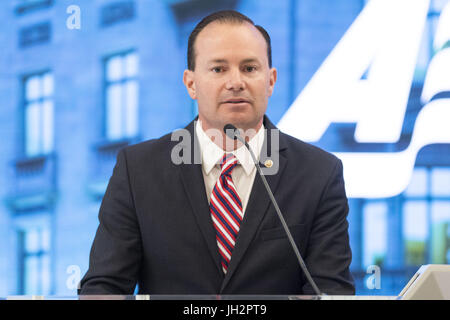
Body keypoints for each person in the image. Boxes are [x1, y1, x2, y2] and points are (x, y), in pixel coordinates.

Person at [79, 10, 355, 295]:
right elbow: (104, 285)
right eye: (218, 69)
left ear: (271, 80)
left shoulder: (319, 173)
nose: (236, 82)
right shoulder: (138, 169)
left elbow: (330, 289)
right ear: (191, 83)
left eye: (249, 68)